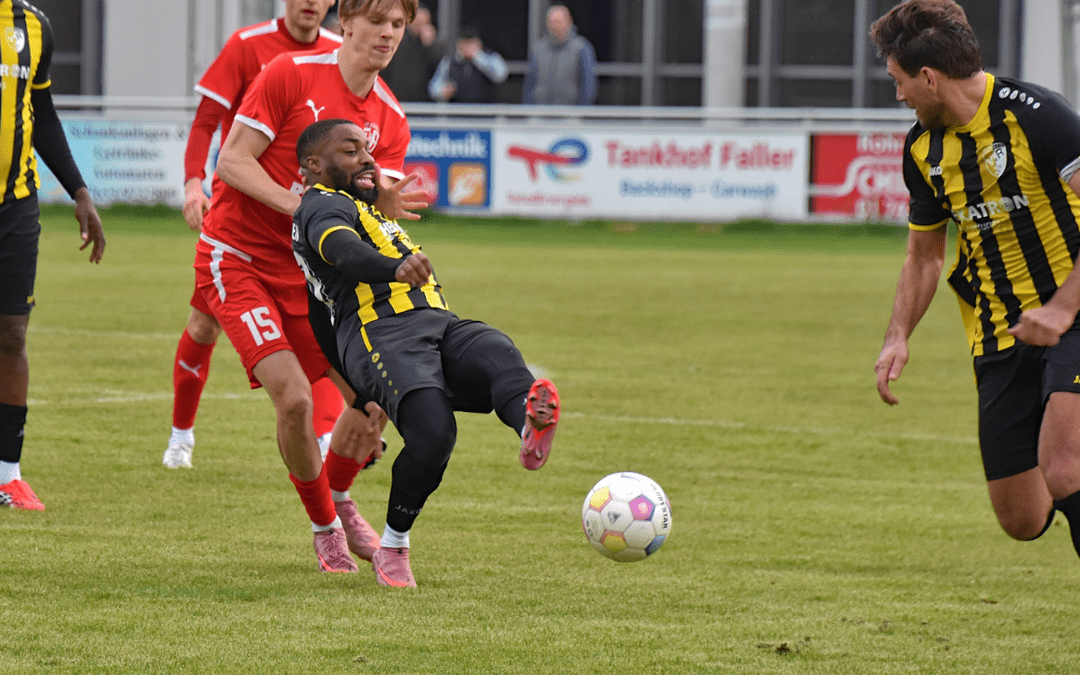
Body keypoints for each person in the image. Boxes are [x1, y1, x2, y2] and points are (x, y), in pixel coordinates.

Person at [194, 0, 427, 573]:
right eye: (376, 22)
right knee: (296, 400)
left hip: (313, 278)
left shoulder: (391, 119)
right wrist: (300, 207)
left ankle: (342, 500)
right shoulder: (290, 73)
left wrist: (383, 206)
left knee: (380, 401)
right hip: (239, 258)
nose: (388, 35)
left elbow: (363, 212)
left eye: (398, 25)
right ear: (344, 23)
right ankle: (325, 527)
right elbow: (232, 161)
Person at [292, 119, 561, 587]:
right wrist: (395, 266)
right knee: (434, 433)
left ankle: (529, 424)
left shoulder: (363, 205)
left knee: (496, 351)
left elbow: (315, 307)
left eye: (367, 150)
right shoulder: (319, 206)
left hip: (437, 320)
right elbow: (342, 252)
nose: (367, 159)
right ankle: (393, 547)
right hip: (381, 333)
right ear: (313, 165)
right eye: (350, 150)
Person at [871, 0, 1080, 562]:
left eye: (899, 81)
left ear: (930, 77)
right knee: (1022, 517)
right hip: (999, 334)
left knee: (1064, 467)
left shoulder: (1040, 116)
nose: (899, 96)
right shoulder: (922, 149)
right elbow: (923, 256)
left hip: (1074, 316)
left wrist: (1062, 308)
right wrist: (898, 335)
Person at [165, 0, 345, 470]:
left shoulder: (339, 55)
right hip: (239, 226)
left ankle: (324, 440)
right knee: (204, 326)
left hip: (303, 234)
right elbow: (207, 121)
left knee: (316, 335)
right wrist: (192, 184)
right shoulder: (248, 46)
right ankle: (180, 436)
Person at [0, 0, 106, 511]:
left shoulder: (34, 25)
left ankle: (7, 473)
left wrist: (79, 190)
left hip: (15, 205)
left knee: (12, 334)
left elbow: (40, 111)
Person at [522, 4, 597, 106]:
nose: (554, 26)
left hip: (570, 115)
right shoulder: (539, 49)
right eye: (551, 22)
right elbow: (530, 83)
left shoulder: (581, 49)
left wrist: (580, 112)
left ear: (569, 21)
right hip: (540, 114)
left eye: (558, 22)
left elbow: (588, 85)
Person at [379, 2, 443, 102]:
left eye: (425, 23)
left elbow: (438, 70)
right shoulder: (398, 40)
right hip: (397, 99)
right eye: (419, 23)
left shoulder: (430, 44)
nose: (422, 27)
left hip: (421, 102)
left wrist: (430, 45)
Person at [428, 26, 508, 103]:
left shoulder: (491, 57)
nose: (467, 48)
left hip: (485, 111)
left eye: (470, 44)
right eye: (464, 44)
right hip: (457, 111)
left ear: (478, 44)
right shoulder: (449, 62)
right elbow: (433, 87)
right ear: (458, 45)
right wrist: (442, 91)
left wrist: (478, 59)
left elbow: (501, 76)